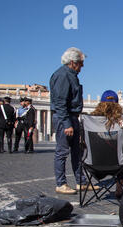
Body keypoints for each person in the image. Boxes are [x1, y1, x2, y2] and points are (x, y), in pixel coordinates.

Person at [50, 47, 89, 194]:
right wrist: (67, 124)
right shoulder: (63, 75)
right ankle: (61, 184)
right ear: (73, 62)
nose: (82, 66)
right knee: (62, 152)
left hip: (72, 117)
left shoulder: (71, 75)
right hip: (64, 118)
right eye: (80, 63)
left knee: (77, 151)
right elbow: (60, 102)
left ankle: (81, 182)